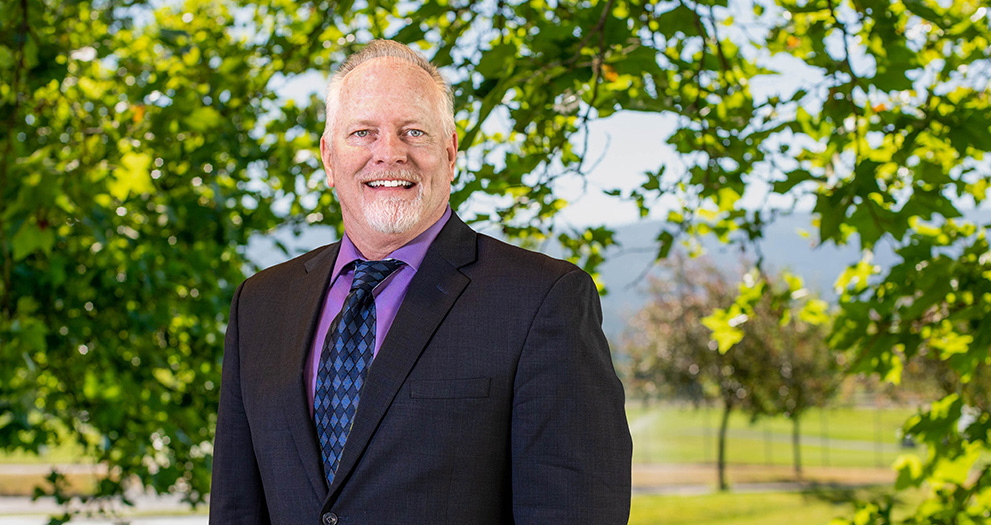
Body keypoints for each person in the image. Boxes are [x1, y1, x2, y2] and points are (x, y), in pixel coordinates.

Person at [210, 39, 632, 524]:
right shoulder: (260, 303)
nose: (389, 153)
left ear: (451, 152)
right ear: (328, 157)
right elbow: (236, 508)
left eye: (413, 132)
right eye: (363, 133)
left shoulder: (543, 299)